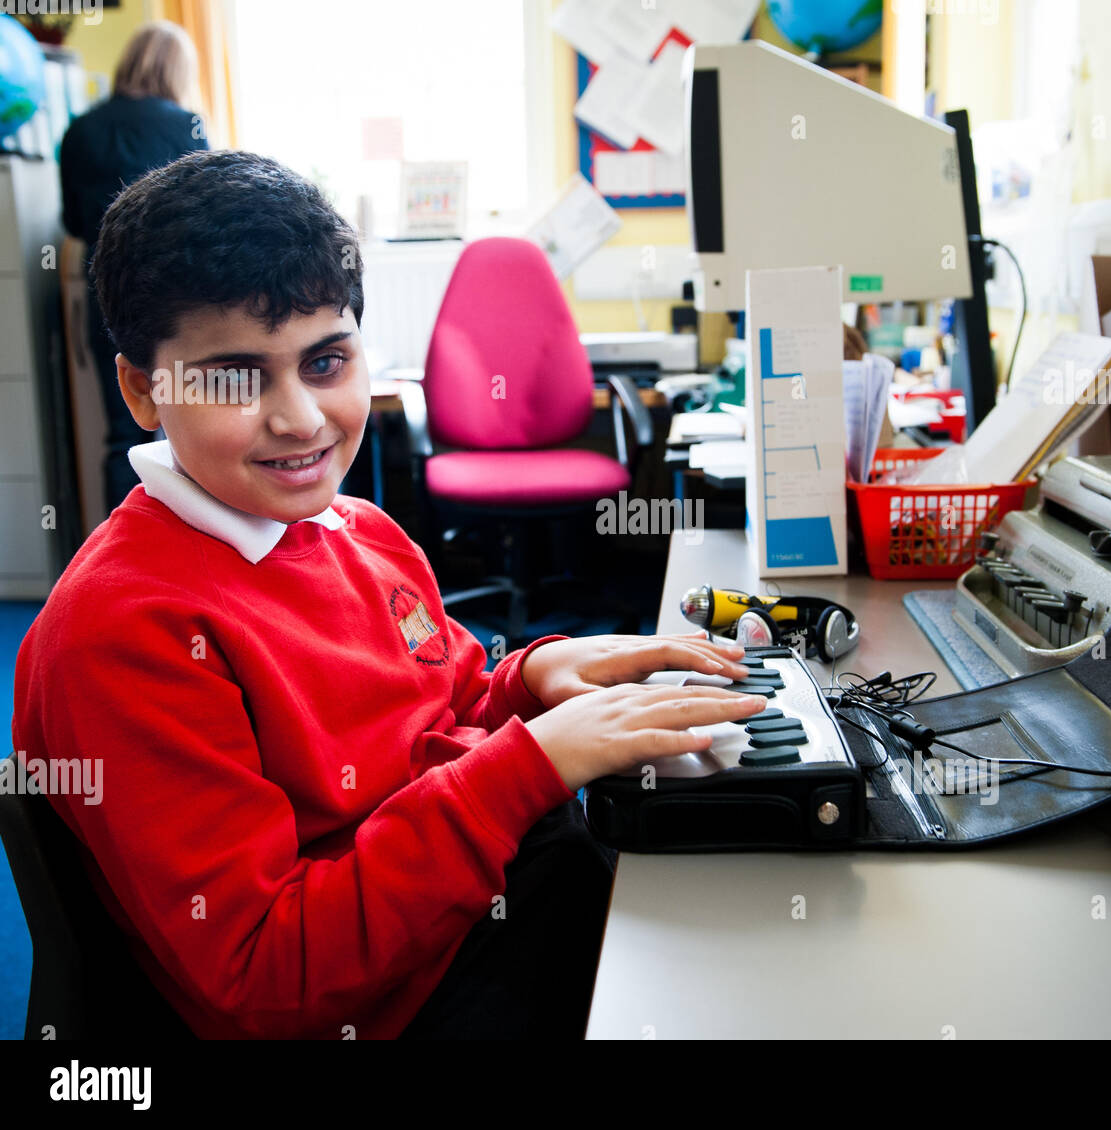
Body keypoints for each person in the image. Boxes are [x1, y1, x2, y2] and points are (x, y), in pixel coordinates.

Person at [12, 150, 765, 1039]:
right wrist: (533, 764)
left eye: (326, 362)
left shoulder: (361, 531)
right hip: (386, 1003)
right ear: (142, 389)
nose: (299, 420)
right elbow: (263, 975)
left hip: (467, 913)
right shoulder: (127, 632)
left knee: (742, 896)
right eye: (236, 379)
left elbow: (446, 709)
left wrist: (537, 680)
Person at [58, 19, 208, 514]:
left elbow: (75, 222)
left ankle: (123, 544)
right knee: (196, 417)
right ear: (177, 71)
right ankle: (193, 544)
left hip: (107, 293)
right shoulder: (184, 125)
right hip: (178, 297)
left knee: (125, 429)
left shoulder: (80, 129)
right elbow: (211, 215)